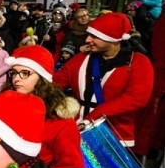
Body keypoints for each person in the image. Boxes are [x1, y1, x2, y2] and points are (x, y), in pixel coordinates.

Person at [54, 12, 154, 148]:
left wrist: (96, 114)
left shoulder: (139, 62)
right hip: (77, 131)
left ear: (112, 38)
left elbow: (137, 98)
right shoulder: (80, 59)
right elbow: (55, 83)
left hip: (115, 135)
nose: (87, 40)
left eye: (94, 36)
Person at [2, 45, 86, 168]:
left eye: (25, 73)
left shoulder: (60, 121)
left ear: (42, 78)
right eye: (14, 73)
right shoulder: (3, 106)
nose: (16, 78)